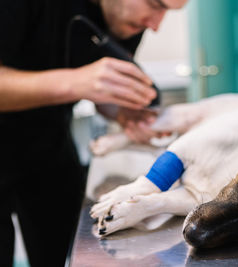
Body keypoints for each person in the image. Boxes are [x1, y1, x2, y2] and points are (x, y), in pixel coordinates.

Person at [0, 0, 187, 266]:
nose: (155, 25)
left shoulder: (129, 20)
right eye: (155, 4)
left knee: (63, 252)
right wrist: (74, 82)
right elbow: (81, 83)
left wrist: (123, 112)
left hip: (50, 144)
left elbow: (102, 94)